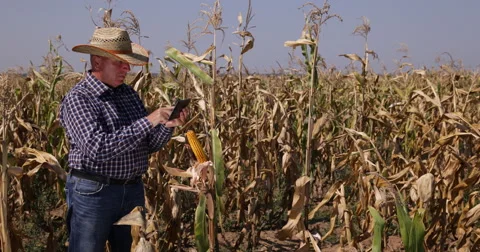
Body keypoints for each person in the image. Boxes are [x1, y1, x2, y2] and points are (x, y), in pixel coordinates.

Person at [59, 27, 187, 251]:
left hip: (132, 193)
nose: (127, 68)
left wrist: (167, 126)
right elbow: (97, 148)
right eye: (119, 63)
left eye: (126, 63)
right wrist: (149, 120)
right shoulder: (79, 99)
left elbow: (145, 145)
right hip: (94, 193)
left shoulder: (128, 94)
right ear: (98, 62)